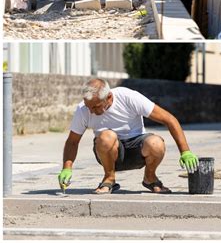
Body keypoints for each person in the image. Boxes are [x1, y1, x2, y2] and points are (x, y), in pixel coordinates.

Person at [57, 78, 199, 194]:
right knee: (106, 136)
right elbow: (72, 142)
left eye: (96, 107)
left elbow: (169, 119)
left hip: (137, 150)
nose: (91, 111)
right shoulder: (84, 109)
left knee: (156, 143)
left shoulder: (128, 97)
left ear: (109, 97)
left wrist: (185, 151)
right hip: (108, 153)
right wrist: (67, 168)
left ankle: (150, 178)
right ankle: (109, 178)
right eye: (89, 107)